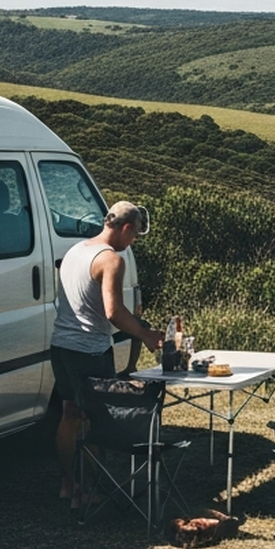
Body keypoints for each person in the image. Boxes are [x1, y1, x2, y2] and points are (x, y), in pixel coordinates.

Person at [52, 201, 165, 504]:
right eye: (135, 234)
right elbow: (113, 312)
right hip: (89, 349)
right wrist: (145, 334)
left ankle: (68, 484)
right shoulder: (111, 259)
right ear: (126, 227)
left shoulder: (76, 250)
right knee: (93, 419)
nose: (134, 241)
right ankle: (89, 491)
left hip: (61, 345)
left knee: (69, 414)